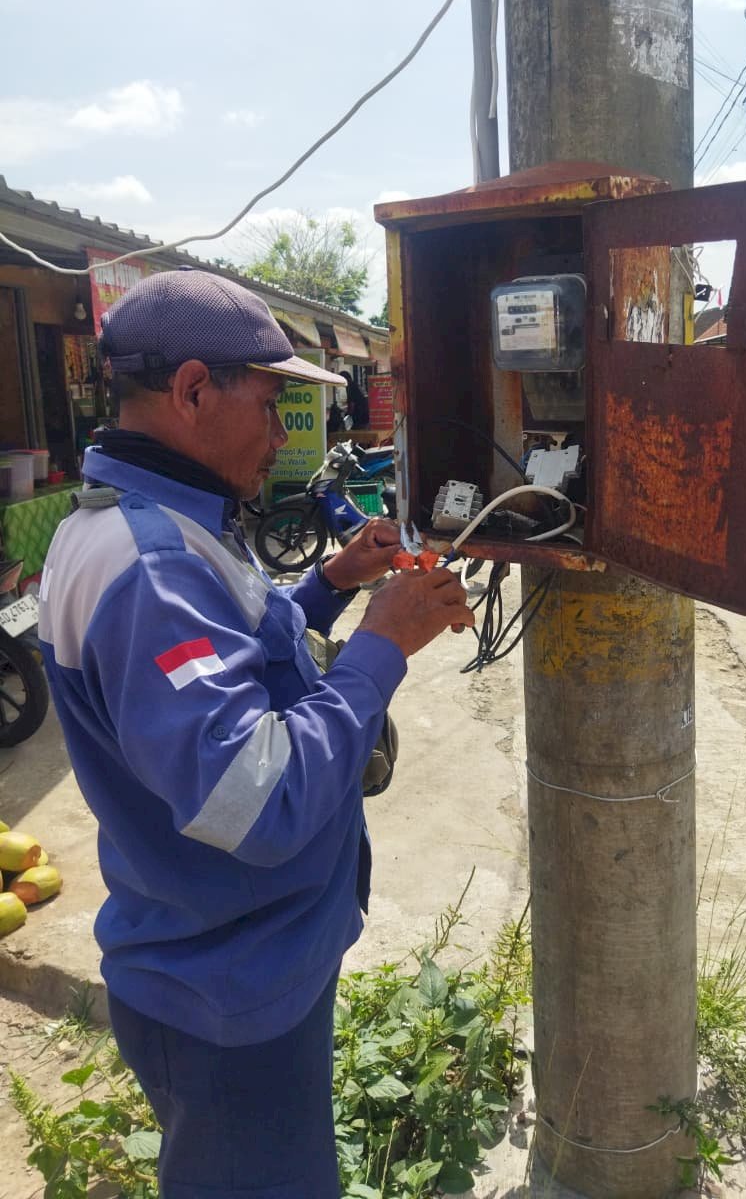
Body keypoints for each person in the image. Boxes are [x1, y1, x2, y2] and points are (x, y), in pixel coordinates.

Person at [38, 270, 473, 1199]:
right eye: (272, 403)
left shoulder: (158, 520)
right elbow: (258, 797)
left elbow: (229, 647)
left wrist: (331, 586)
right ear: (194, 391)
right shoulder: (151, 566)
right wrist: (381, 645)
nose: (284, 435)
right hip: (226, 993)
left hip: (228, 961)